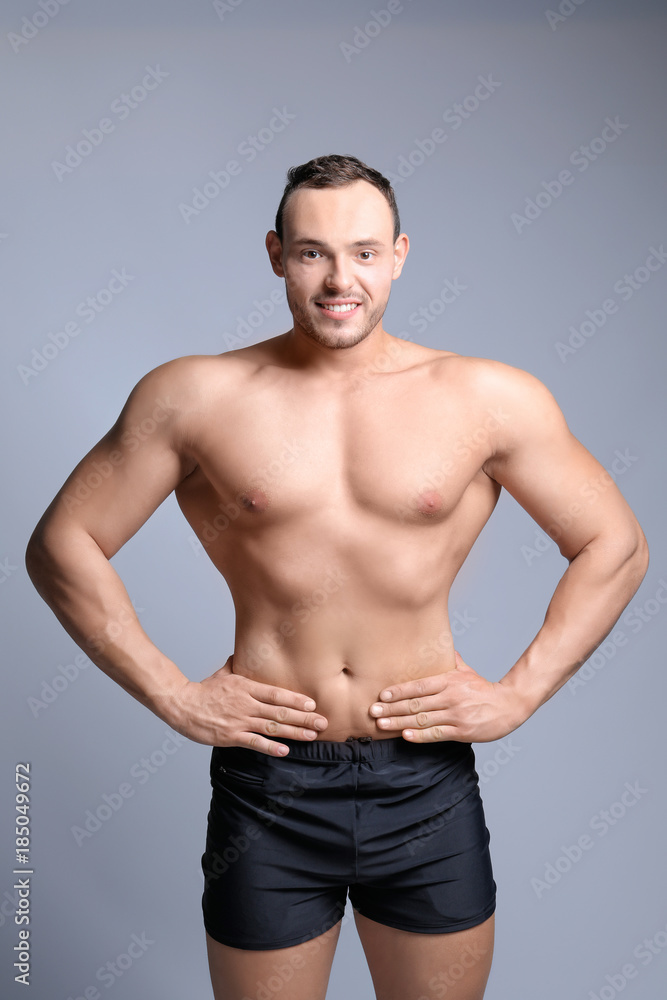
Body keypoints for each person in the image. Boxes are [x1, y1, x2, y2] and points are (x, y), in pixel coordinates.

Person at [25, 154, 648, 1000]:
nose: (337, 278)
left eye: (361, 251)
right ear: (276, 253)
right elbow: (62, 544)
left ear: (398, 254)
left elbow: (613, 544)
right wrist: (172, 693)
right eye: (313, 252)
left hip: (422, 776)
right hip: (269, 781)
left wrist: (519, 693)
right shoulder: (195, 395)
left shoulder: (487, 397)